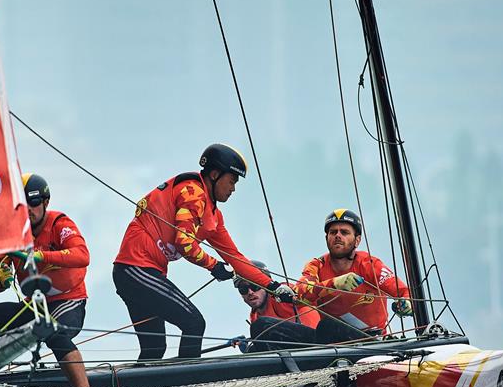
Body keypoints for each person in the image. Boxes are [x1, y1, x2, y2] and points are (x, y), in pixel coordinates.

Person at [112, 143, 295, 361]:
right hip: (136, 268)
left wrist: (274, 287)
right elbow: (185, 243)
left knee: (154, 348)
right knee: (193, 322)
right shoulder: (192, 192)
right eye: (232, 181)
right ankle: (185, 385)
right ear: (215, 174)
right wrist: (214, 266)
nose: (233, 188)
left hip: (140, 272)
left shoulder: (213, 217)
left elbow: (237, 259)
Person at [0, 173, 101, 387]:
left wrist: (41, 256)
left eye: (33, 204)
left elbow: (82, 255)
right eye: (23, 207)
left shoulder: (60, 224)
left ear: (45, 202)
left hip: (68, 301)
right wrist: (0, 279)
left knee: (56, 335)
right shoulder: (11, 234)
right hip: (34, 305)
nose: (29, 211)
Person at [295, 209, 413, 342]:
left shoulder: (370, 264)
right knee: (267, 325)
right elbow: (299, 296)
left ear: (357, 240)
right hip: (332, 344)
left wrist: (407, 304)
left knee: (327, 326)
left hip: (374, 342)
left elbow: (405, 292)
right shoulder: (316, 265)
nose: (337, 236)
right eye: (333, 232)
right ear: (326, 238)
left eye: (344, 232)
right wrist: (335, 284)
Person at [234, 260, 320, 353]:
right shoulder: (255, 316)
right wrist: (248, 348)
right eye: (243, 289)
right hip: (294, 351)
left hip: (317, 343)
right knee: (253, 349)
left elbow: (306, 295)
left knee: (260, 325)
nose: (250, 292)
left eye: (255, 286)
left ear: (265, 284)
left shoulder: (281, 293)